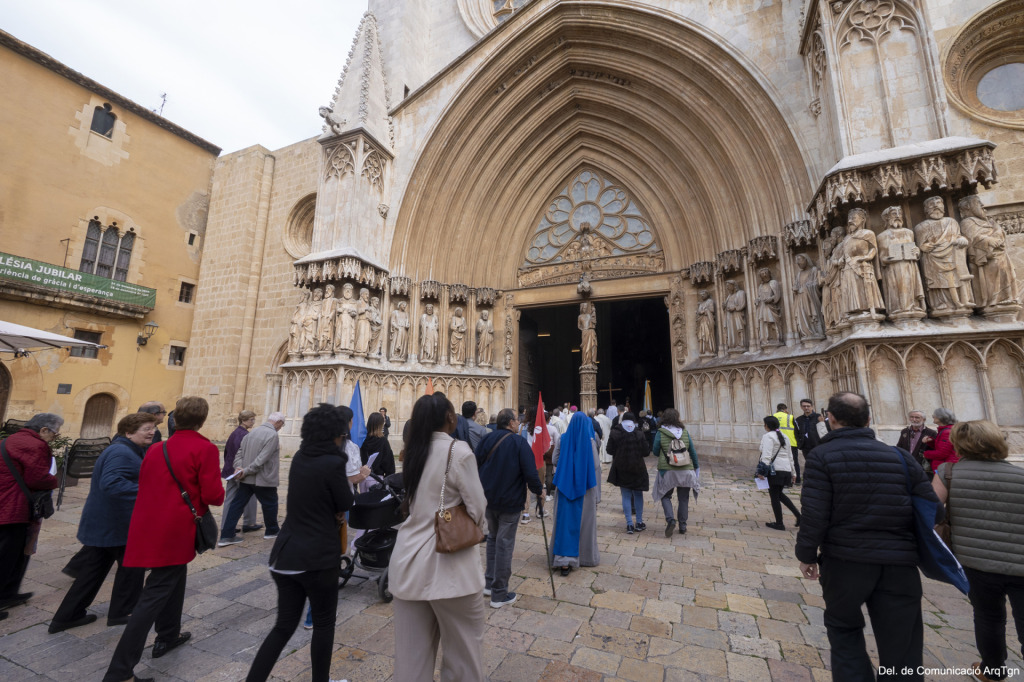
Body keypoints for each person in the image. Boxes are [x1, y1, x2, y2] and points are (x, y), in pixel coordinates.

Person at [796, 392, 941, 682]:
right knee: (903, 644)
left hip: (845, 562)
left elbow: (814, 514)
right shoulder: (900, 457)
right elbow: (934, 511)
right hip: (899, 565)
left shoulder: (821, 456)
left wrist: (806, 555)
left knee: (844, 631)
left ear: (830, 419)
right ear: (869, 420)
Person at [102, 396, 224, 682]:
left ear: (174, 419)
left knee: (174, 576)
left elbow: (148, 484)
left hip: (149, 525)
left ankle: (168, 634)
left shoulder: (157, 448)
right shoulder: (204, 448)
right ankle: (119, 672)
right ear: (202, 420)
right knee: (154, 594)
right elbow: (214, 496)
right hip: (175, 529)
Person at [246, 404, 355, 682]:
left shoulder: (299, 457)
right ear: (335, 434)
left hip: (286, 555)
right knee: (324, 624)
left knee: (283, 627)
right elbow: (345, 501)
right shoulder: (333, 462)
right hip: (317, 557)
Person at [389, 392, 487, 681]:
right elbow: (478, 507)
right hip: (452, 568)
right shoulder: (459, 451)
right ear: (450, 418)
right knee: (464, 658)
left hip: (408, 563)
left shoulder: (412, 452)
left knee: (411, 661)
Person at [932, 420, 1024, 682]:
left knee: (988, 617)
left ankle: (992, 671)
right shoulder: (1020, 475)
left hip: (976, 562)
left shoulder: (948, 473)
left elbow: (931, 512)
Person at [49, 413, 158, 633]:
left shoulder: (127, 449)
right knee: (131, 568)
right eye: (147, 428)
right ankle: (121, 612)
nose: (152, 432)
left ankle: (67, 616)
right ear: (129, 432)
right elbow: (112, 483)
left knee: (93, 571)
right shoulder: (121, 452)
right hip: (116, 523)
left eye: (153, 427)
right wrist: (151, 491)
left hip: (108, 522)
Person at [475, 408, 542, 608]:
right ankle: (499, 593)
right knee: (504, 543)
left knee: (493, 539)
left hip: (489, 499)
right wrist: (539, 491)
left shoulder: (486, 439)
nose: (518, 422)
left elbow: (475, 464)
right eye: (516, 420)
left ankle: (489, 583)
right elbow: (531, 472)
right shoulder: (519, 443)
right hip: (510, 502)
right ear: (511, 423)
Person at [0, 413, 61, 616]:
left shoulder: (10, 440)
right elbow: (37, 478)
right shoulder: (36, 445)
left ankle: (8, 593)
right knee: (7, 554)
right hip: (13, 506)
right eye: (54, 433)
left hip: (6, 502)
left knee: (13, 552)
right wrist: (53, 481)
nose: (54, 437)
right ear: (43, 430)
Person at [218, 412, 286, 546]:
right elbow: (262, 459)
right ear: (278, 422)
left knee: (237, 504)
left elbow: (239, 453)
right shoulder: (272, 435)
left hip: (247, 478)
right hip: (263, 478)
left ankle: (226, 535)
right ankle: (272, 530)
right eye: (282, 425)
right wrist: (245, 470)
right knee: (270, 503)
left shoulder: (252, 432)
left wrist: (239, 468)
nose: (280, 427)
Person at [550, 411, 600, 576]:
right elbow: (595, 465)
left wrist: (567, 465)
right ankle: (585, 557)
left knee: (564, 522)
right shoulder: (590, 441)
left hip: (565, 485)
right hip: (584, 487)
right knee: (585, 523)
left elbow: (554, 460)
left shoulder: (562, 439)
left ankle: (563, 559)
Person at [652, 408, 699, 536]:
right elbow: (692, 450)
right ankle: (682, 526)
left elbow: (655, 451)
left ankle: (671, 520)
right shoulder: (684, 432)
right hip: (685, 469)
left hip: (667, 470)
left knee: (665, 495)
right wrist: (696, 466)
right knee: (683, 498)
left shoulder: (660, 432)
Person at [606, 412, 650, 534]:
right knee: (638, 494)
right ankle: (639, 522)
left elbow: (609, 450)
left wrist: (619, 451)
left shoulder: (615, 432)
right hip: (638, 467)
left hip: (622, 467)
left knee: (625, 495)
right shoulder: (639, 433)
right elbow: (646, 452)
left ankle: (629, 524)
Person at [757, 416, 801, 531]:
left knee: (774, 497)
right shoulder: (785, 436)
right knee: (779, 495)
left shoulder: (768, 436)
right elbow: (790, 456)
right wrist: (793, 473)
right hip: (785, 469)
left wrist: (761, 471)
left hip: (775, 470)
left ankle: (779, 523)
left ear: (767, 425)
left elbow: (766, 455)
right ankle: (798, 516)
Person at [221, 410, 261, 535]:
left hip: (230, 470)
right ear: (243, 420)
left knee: (230, 498)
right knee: (250, 494)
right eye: (251, 420)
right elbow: (245, 454)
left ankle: (225, 524)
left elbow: (226, 452)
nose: (253, 422)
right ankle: (249, 523)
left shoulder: (234, 433)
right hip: (239, 470)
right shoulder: (244, 435)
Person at [526, 410, 559, 502]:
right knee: (549, 474)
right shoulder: (552, 428)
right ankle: (547, 494)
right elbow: (557, 441)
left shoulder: (536, 428)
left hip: (538, 452)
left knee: (539, 474)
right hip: (549, 451)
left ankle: (538, 491)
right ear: (548, 419)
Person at [922, 407, 958, 473]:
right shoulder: (944, 430)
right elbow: (943, 447)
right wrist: (931, 441)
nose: (933, 417)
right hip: (945, 466)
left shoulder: (946, 432)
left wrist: (925, 454)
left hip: (945, 467)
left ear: (941, 417)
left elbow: (942, 453)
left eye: (934, 415)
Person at [360, 411, 396, 479]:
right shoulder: (383, 441)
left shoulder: (362, 440)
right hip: (377, 477)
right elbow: (388, 462)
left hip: (362, 477)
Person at [772, 403, 800, 484]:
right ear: (785, 409)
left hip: (776, 443)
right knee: (794, 461)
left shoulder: (772, 416)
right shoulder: (790, 416)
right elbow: (798, 429)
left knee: (778, 461)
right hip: (791, 442)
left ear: (777, 409)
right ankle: (797, 480)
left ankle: (782, 480)